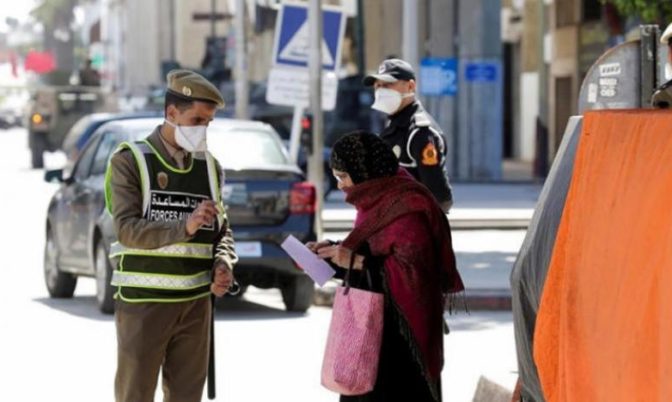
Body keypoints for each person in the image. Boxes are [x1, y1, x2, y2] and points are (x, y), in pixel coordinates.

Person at [105, 69, 238, 402]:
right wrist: (185, 227)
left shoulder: (210, 167)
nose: (202, 130)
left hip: (195, 304)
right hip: (143, 304)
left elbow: (222, 231)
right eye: (196, 120)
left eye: (208, 123)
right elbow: (126, 229)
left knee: (186, 396)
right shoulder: (129, 161)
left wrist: (223, 261)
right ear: (171, 113)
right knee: (135, 394)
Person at [309, 131, 464, 402]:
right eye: (336, 178)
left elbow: (415, 272)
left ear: (364, 171)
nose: (342, 185)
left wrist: (355, 260)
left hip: (402, 343)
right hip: (370, 333)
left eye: (343, 177)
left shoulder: (407, 205)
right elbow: (370, 252)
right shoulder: (375, 201)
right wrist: (330, 252)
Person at [363, 58, 453, 212]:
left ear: (410, 86)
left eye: (388, 85)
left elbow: (440, 197)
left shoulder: (420, 132)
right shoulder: (393, 125)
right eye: (377, 86)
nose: (380, 91)